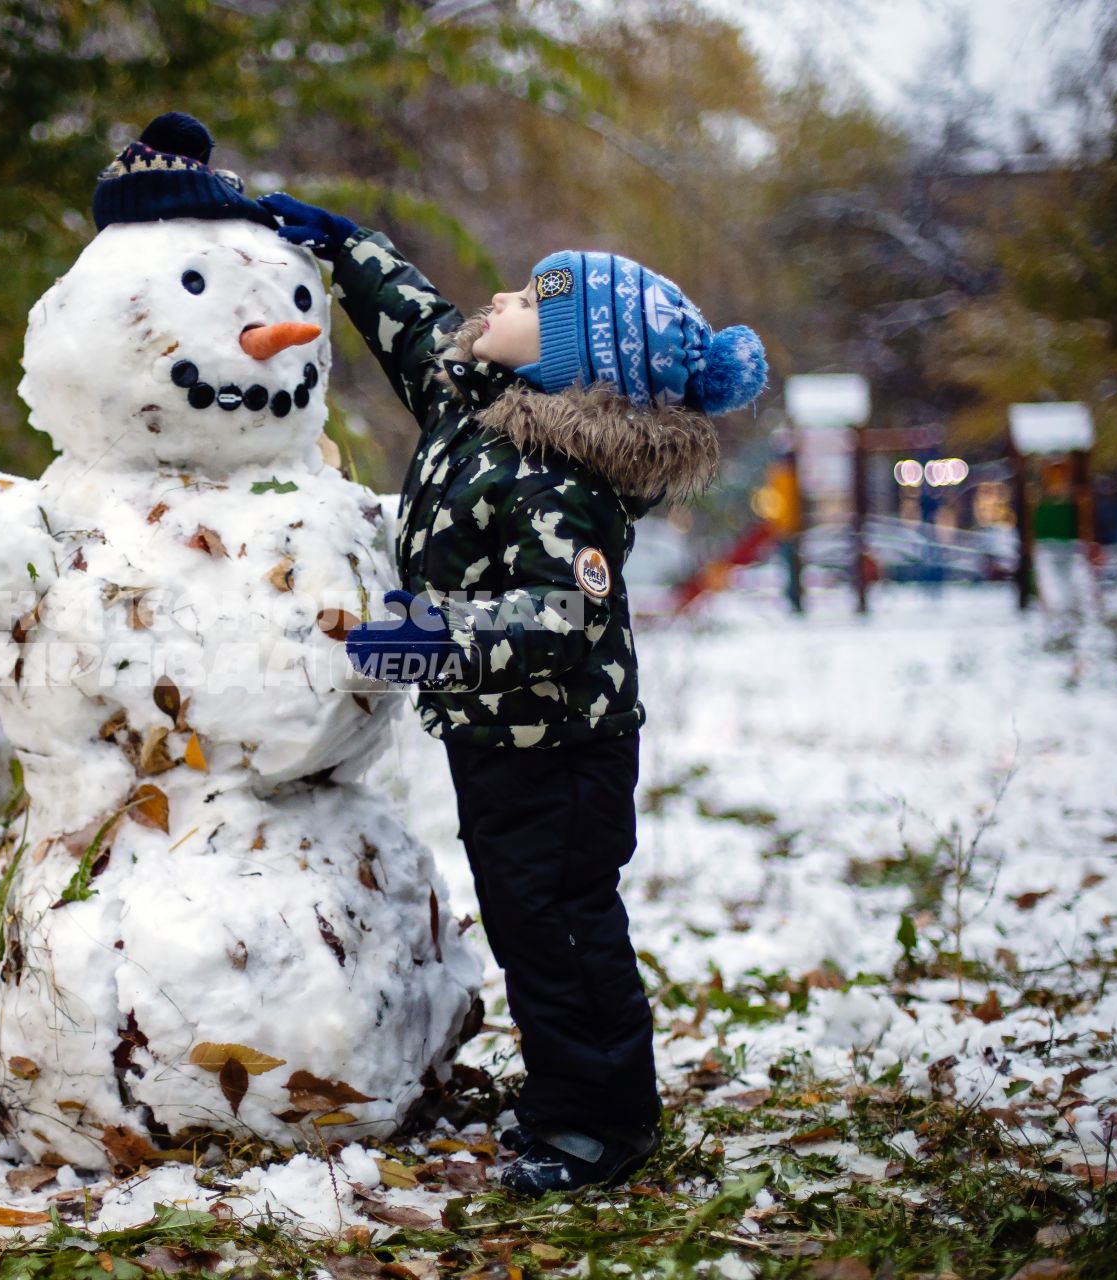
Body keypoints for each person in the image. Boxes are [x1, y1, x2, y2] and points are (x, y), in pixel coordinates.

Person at [259, 192, 766, 1195]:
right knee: (523, 914)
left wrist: (423, 636)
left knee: (563, 922)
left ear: (572, 357)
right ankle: (564, 1097)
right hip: (495, 733)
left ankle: (602, 1121)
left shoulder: (559, 474)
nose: (499, 295)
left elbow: (559, 616)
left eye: (534, 297)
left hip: (565, 745)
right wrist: (344, 245)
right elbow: (415, 324)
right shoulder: (473, 401)